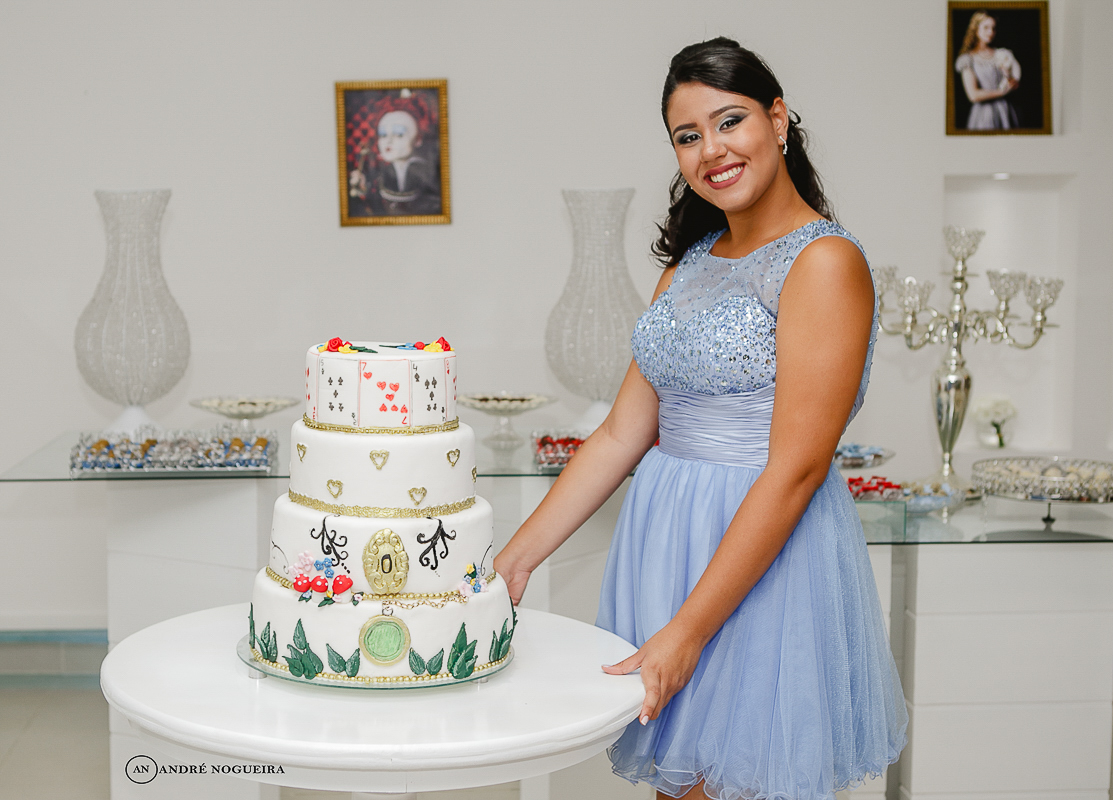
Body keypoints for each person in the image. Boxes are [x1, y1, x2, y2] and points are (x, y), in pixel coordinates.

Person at [494, 37, 907, 799]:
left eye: (729, 121)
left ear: (777, 120)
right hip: (667, 547)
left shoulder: (822, 263)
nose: (710, 149)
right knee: (680, 786)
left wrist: (686, 633)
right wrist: (513, 561)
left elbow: (797, 469)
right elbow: (623, 433)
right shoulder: (687, 264)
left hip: (762, 564)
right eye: (687, 136)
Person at [348, 91, 442, 217]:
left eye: (399, 135)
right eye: (383, 135)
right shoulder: (379, 172)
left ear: (418, 139)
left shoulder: (425, 171)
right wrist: (363, 189)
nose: (389, 140)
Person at [955, 11, 1021, 130]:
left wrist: (1011, 81)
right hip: (984, 114)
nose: (990, 32)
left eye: (993, 28)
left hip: (1006, 111)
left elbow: (1012, 80)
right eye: (986, 27)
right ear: (976, 29)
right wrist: (1002, 92)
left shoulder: (1002, 54)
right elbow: (973, 95)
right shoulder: (968, 59)